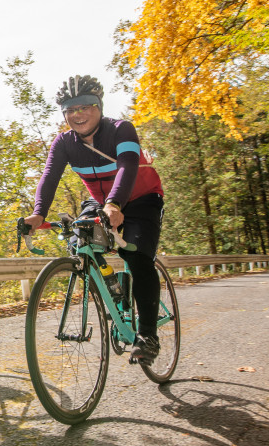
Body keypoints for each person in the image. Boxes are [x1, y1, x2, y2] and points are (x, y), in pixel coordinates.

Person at [23, 75, 166, 364]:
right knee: (79, 245)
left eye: (85, 106)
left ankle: (148, 335)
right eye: (70, 109)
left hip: (142, 198)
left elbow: (127, 167)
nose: (78, 114)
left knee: (137, 256)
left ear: (99, 106)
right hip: (100, 201)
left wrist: (115, 203)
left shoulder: (120, 130)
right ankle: (114, 291)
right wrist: (38, 213)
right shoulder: (64, 143)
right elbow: (49, 176)